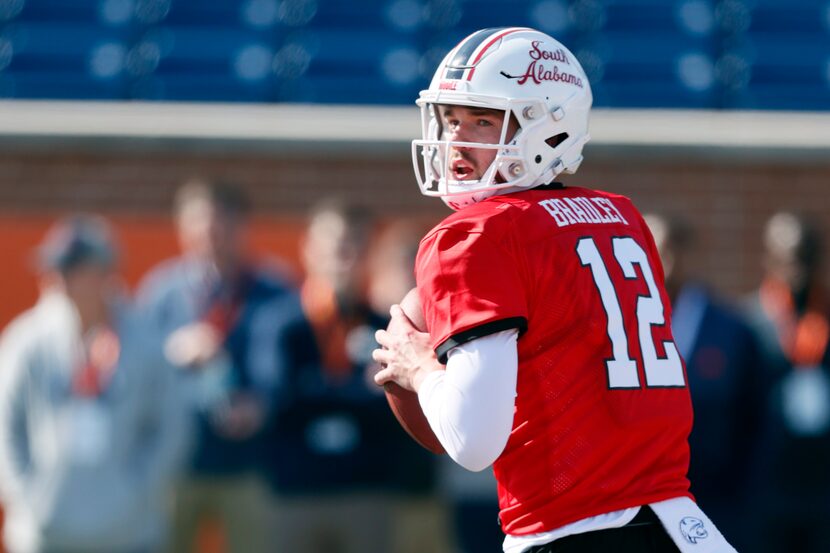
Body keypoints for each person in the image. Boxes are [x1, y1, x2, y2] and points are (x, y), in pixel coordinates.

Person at [372, 27, 736, 553]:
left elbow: (473, 441)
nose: (455, 139)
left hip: (572, 530)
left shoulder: (474, 235)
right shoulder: (621, 218)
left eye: (482, 121)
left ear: (547, 129)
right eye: (451, 120)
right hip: (686, 529)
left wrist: (420, 368)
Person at [136, 179, 314, 553]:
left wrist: (262, 403)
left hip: (252, 468)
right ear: (182, 227)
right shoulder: (162, 291)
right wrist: (172, 351)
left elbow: (297, 368)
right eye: (199, 225)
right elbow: (134, 369)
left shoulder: (275, 289)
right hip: (175, 465)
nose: (210, 236)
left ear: (242, 227)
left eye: (221, 224)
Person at [268, 201, 450, 553]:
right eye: (334, 248)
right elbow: (280, 396)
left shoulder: (385, 324)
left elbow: (397, 405)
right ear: (309, 249)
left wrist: (321, 391)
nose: (343, 260)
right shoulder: (282, 323)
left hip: (368, 492)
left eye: (354, 248)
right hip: (295, 493)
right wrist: (360, 390)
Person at [0, 215, 187, 553]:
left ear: (104, 273)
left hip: (130, 533)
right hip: (46, 532)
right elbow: (4, 426)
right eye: (54, 268)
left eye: (71, 268)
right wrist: (29, 495)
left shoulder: (145, 342)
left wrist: (138, 488)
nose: (57, 278)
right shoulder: (26, 341)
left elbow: (171, 427)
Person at [645, 213, 763, 551]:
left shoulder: (730, 330)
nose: (658, 263)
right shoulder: (620, 328)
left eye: (665, 251)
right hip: (644, 505)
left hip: (717, 504)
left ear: (685, 253)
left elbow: (754, 420)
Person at [742, 211, 830, 553]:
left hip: (823, 483)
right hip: (767, 483)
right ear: (770, 258)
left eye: (806, 258)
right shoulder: (749, 322)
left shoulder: (825, 313)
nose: (797, 268)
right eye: (789, 258)